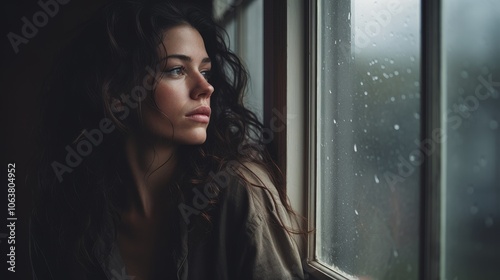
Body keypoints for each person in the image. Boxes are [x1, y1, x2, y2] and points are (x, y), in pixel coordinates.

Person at [29, 1, 305, 279]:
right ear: (115, 94)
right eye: (176, 70)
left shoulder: (240, 192)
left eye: (206, 71)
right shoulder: (73, 212)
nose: (206, 87)